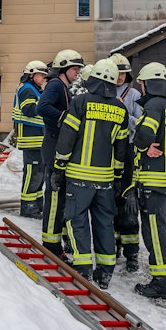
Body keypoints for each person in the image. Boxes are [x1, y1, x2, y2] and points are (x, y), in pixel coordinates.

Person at [52, 58, 128, 289]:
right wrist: (117, 176)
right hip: (105, 180)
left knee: (77, 220)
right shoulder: (120, 108)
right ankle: (105, 273)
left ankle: (83, 268)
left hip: (78, 177)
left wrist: (59, 166)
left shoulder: (80, 102)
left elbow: (67, 136)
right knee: (105, 223)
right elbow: (121, 148)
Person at [132, 62, 166, 300]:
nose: (141, 89)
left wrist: (141, 146)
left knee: (155, 230)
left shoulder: (153, 106)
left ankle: (162, 283)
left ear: (148, 84)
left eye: (142, 84)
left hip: (153, 180)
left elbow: (145, 134)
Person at [37, 49, 84, 258]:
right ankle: (51, 245)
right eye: (75, 69)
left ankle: (58, 239)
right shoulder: (56, 85)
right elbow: (42, 107)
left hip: (57, 144)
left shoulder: (65, 88)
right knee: (55, 195)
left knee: (60, 195)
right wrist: (64, 118)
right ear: (63, 68)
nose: (78, 73)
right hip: (53, 144)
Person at [111, 53, 142, 272]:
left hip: (129, 152)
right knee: (110, 203)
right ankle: (112, 247)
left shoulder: (133, 95)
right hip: (108, 153)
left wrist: (123, 112)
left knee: (129, 204)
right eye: (117, 72)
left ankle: (131, 253)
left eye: (123, 73)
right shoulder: (102, 93)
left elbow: (139, 124)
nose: (120, 77)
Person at [13, 60, 48, 218]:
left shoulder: (34, 89)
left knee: (39, 174)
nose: (43, 78)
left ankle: (37, 204)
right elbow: (29, 110)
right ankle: (27, 206)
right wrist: (46, 105)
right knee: (32, 174)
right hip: (31, 139)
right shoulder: (28, 90)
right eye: (41, 75)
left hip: (37, 139)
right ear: (31, 74)